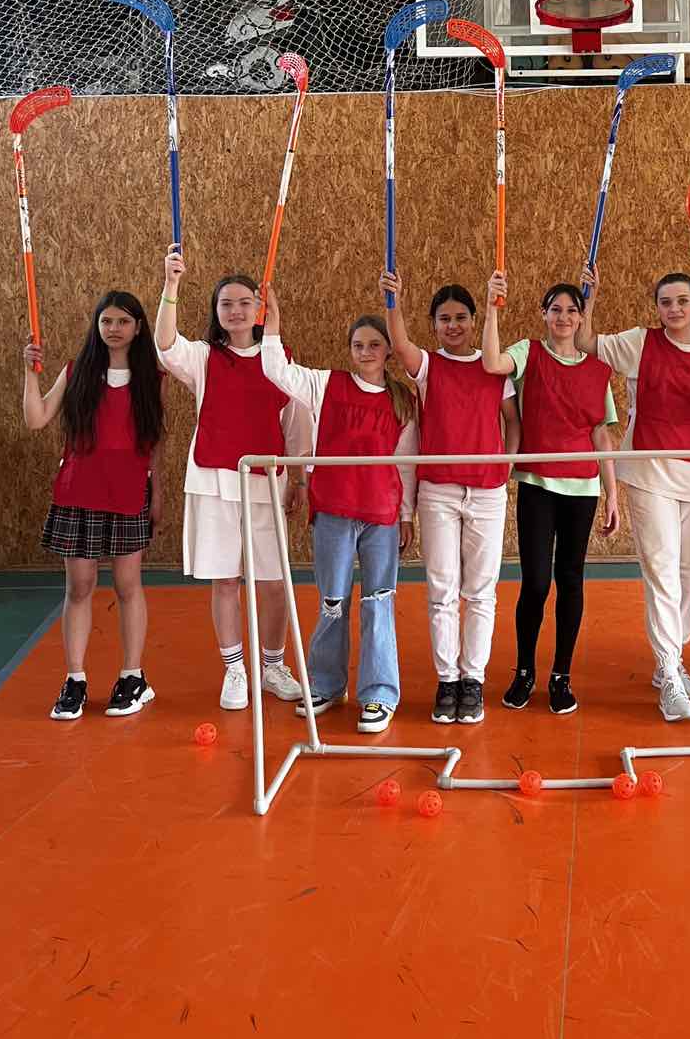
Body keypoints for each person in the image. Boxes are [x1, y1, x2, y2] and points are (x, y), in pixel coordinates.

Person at [155, 246, 310, 711]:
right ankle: (235, 669)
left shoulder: (279, 359)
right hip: (214, 482)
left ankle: (272, 666)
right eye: (227, 303)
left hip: (266, 483)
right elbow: (165, 345)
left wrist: (298, 479)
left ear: (260, 309)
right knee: (225, 581)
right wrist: (171, 284)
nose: (236, 311)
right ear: (216, 311)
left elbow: (297, 426)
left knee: (273, 581)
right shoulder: (204, 357)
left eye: (245, 302)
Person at [261, 289, 417, 734]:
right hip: (333, 511)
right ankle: (326, 683)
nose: (365, 352)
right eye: (358, 345)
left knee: (378, 603)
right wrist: (273, 323)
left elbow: (407, 463)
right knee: (332, 601)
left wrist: (406, 515)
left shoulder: (402, 401)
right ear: (349, 350)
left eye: (374, 344)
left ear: (388, 351)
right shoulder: (326, 385)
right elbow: (276, 370)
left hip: (381, 517)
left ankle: (379, 692)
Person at [577, 265, 690, 722]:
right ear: (657, 308)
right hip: (649, 470)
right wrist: (589, 298)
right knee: (662, 571)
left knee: (689, 571)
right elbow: (585, 342)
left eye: (682, 301)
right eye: (665, 302)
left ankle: (672, 661)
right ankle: (670, 671)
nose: (674, 309)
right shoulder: (641, 342)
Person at [381, 270, 520, 727]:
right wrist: (393, 301)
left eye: (461, 317)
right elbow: (400, 344)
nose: (453, 326)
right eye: (444, 319)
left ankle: (472, 679)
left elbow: (512, 422)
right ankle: (447, 681)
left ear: (474, 320)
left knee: (480, 592)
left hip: (487, 492)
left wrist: (506, 465)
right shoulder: (428, 367)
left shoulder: (494, 368)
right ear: (435, 325)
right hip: (438, 490)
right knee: (442, 591)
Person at [481, 272, 619, 715]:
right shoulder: (529, 352)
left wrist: (612, 494)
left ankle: (562, 675)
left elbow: (601, 434)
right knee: (537, 581)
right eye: (555, 309)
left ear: (581, 318)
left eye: (572, 310)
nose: (563, 317)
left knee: (570, 580)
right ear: (544, 314)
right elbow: (491, 364)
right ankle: (525, 671)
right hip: (538, 483)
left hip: (583, 488)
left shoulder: (598, 370)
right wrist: (491, 307)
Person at [24, 291, 164, 721]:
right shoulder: (75, 372)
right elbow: (36, 418)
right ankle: (75, 680)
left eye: (123, 321)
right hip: (79, 492)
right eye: (106, 321)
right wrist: (29, 373)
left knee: (127, 586)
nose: (113, 329)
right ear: (97, 325)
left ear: (138, 328)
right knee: (79, 587)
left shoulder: (152, 377)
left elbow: (154, 443)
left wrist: (157, 491)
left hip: (128, 494)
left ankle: (133, 677)